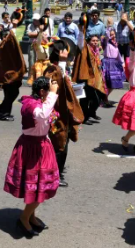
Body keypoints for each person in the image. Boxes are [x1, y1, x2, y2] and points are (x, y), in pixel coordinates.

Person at [4, 76, 60, 238]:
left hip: (43, 146)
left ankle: (31, 216)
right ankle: (23, 218)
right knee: (37, 187)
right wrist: (53, 95)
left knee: (41, 186)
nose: (52, 92)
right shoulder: (30, 105)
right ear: (42, 92)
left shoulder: (41, 103)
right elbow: (42, 115)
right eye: (49, 90)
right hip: (31, 149)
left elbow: (48, 118)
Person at [44, 47, 84, 187]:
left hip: (64, 114)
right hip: (56, 115)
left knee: (62, 144)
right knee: (59, 145)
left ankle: (56, 172)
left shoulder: (60, 69)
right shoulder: (52, 70)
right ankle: (55, 175)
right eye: (65, 52)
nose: (68, 56)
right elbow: (54, 89)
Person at [0, 20, 26, 121]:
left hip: (13, 74)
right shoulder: (3, 45)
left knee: (13, 93)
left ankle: (3, 109)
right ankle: (3, 113)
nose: (8, 37)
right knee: (10, 94)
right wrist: (14, 26)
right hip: (7, 76)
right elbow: (11, 36)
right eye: (5, 36)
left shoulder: (10, 44)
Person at [73, 31, 106, 125]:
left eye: (97, 40)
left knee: (97, 98)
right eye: (93, 40)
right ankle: (85, 117)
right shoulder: (85, 49)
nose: (95, 42)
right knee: (86, 99)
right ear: (88, 42)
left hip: (95, 79)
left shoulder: (96, 51)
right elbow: (80, 41)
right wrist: (82, 29)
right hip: (85, 78)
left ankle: (90, 113)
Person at [101, 28, 124, 106]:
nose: (112, 36)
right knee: (107, 83)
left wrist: (121, 62)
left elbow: (118, 54)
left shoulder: (115, 43)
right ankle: (104, 98)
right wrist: (109, 27)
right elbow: (107, 36)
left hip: (115, 64)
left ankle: (105, 97)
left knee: (113, 83)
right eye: (111, 34)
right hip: (107, 63)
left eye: (113, 34)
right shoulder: (107, 42)